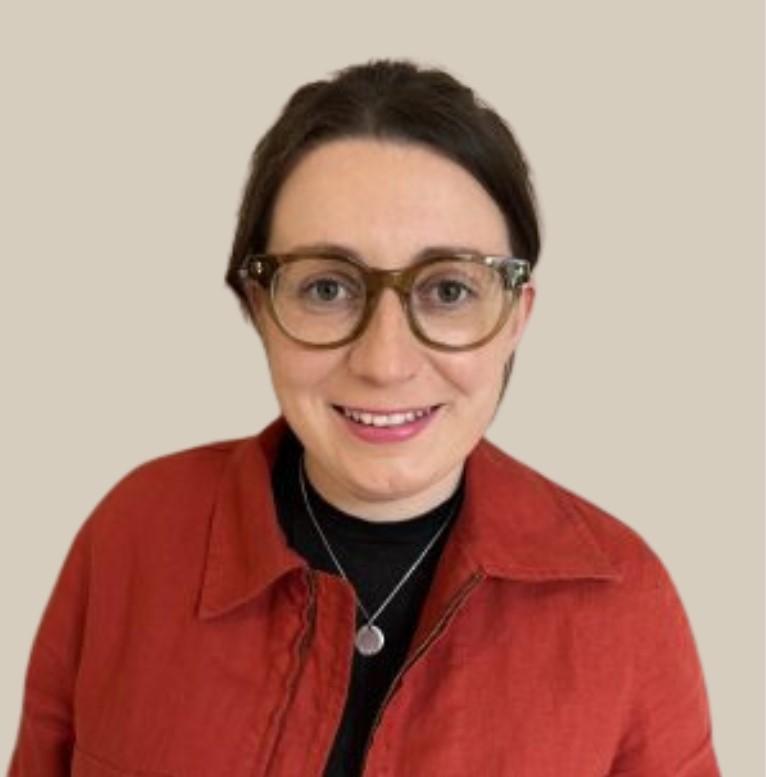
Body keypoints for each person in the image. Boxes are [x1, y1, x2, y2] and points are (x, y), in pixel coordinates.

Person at [9, 60, 720, 777]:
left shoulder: (625, 601)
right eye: (326, 287)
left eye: (448, 288)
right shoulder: (133, 535)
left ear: (514, 318)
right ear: (261, 308)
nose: (384, 361)